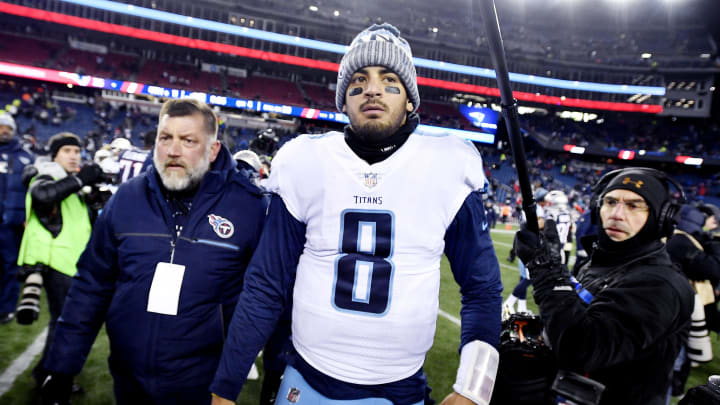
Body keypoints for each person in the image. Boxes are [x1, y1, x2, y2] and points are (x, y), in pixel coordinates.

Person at [211, 23, 502, 405]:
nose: (373, 88)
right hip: (306, 376)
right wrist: (225, 388)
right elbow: (266, 284)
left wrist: (474, 390)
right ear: (343, 99)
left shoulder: (447, 164)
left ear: (411, 99)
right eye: (359, 79)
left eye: (389, 79)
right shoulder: (306, 160)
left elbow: (481, 288)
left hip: (399, 387)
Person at [39, 98, 267, 405]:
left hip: (200, 383)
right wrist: (63, 367)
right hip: (128, 377)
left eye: (188, 140)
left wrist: (229, 382)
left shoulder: (248, 207)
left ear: (213, 150)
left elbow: (263, 299)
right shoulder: (127, 199)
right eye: (165, 138)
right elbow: (92, 285)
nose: (173, 150)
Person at [514, 167, 694, 405]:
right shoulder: (597, 262)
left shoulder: (662, 285)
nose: (617, 214)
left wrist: (547, 271)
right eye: (610, 202)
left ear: (662, 218)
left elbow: (581, 350)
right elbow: (568, 322)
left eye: (633, 205)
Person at [15, 132, 103, 386]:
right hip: (56, 261)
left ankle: (46, 371)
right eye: (67, 151)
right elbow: (43, 196)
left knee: (65, 321)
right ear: (55, 155)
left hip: (69, 260)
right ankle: (51, 376)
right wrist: (78, 180)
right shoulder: (47, 172)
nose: (74, 156)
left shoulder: (64, 177)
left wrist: (92, 198)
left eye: (76, 152)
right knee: (64, 321)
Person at [0, 112, 34, 324]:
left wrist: (27, 217)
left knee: (9, 265)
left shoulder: (26, 157)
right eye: (1, 127)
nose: (4, 131)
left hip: (12, 222)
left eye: (8, 128)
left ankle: (6, 308)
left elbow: (31, 191)